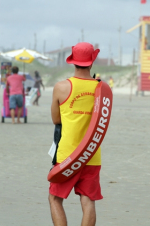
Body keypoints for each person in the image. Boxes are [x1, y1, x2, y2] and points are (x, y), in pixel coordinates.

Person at [49, 42, 102, 226]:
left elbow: (56, 119)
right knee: (88, 201)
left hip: (67, 156)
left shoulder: (61, 87)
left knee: (55, 198)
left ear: (73, 62)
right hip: (92, 154)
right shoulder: (101, 89)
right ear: (91, 61)